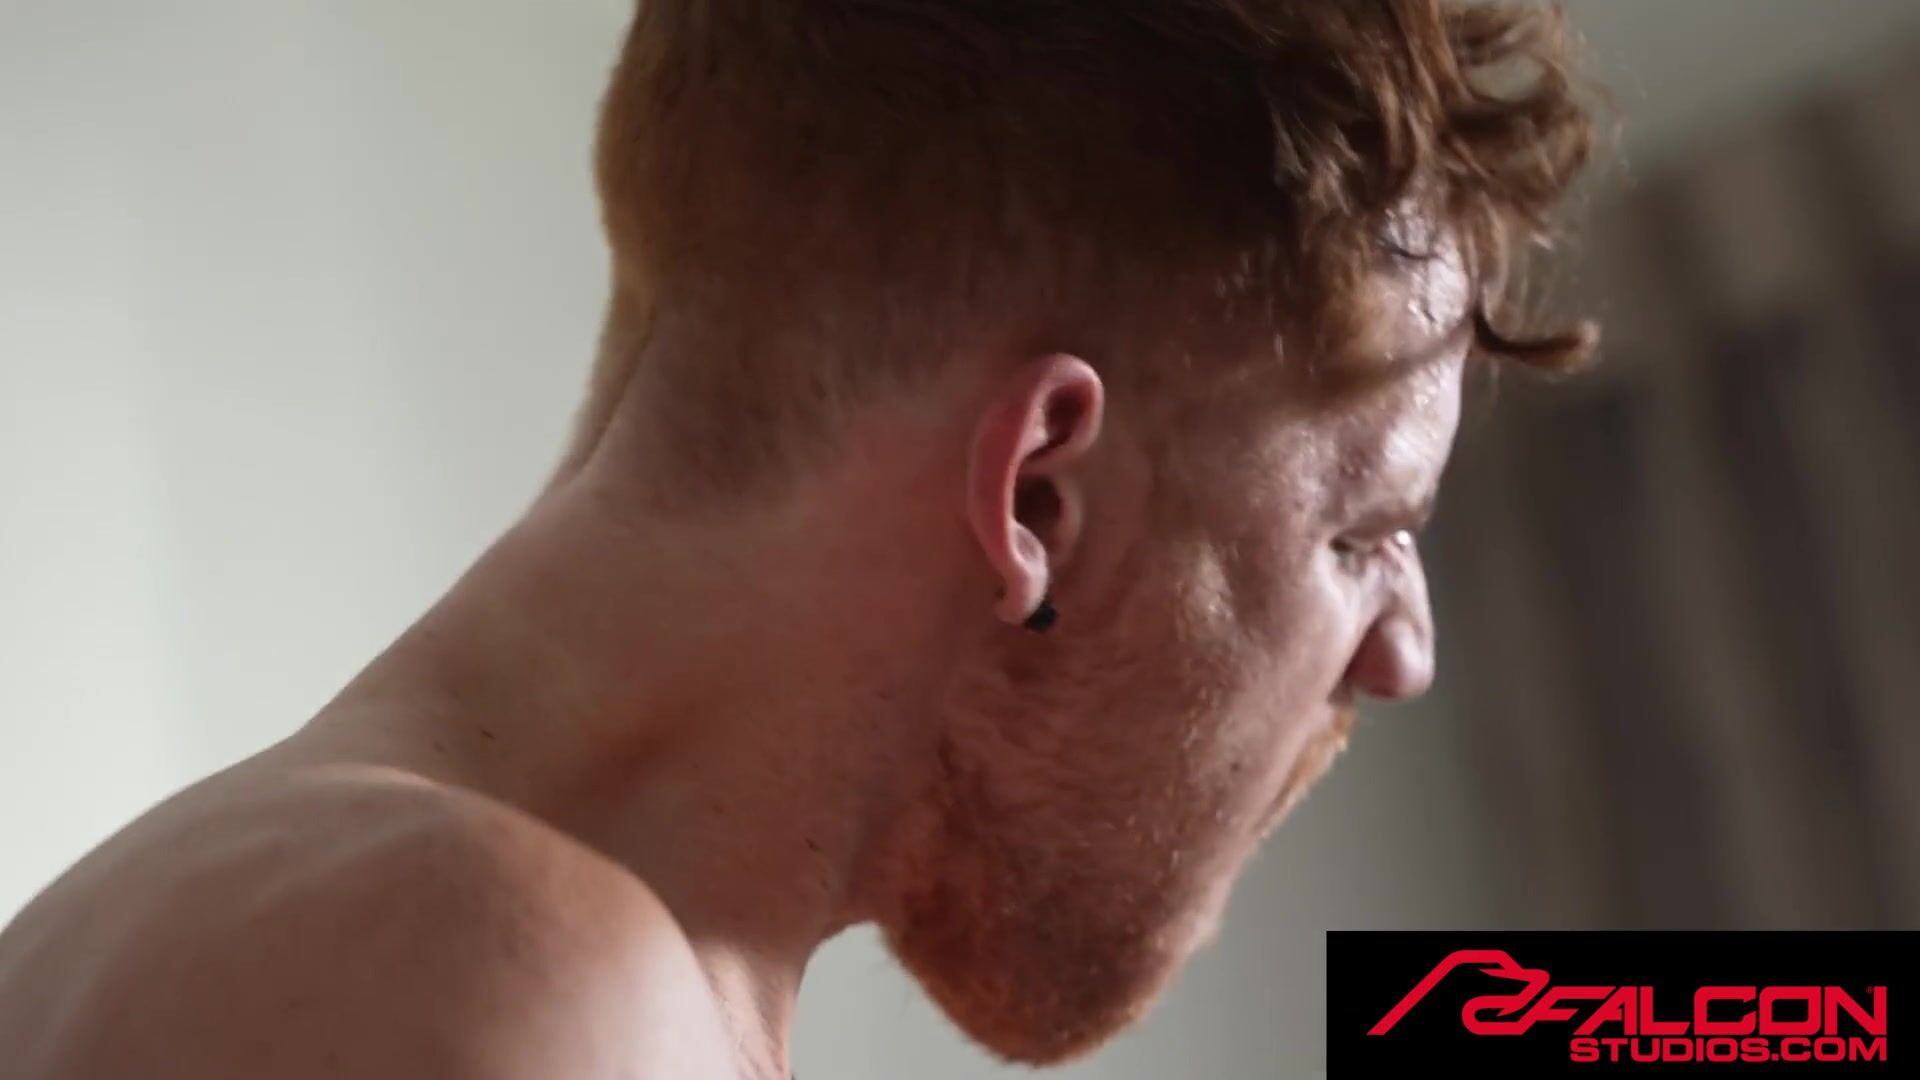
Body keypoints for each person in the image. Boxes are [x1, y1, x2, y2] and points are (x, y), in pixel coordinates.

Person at [0, 2, 1599, 1077]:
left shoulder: (348, 929)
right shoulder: (494, 979)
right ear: (1040, 501)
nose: (1404, 654)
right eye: (1363, 531)